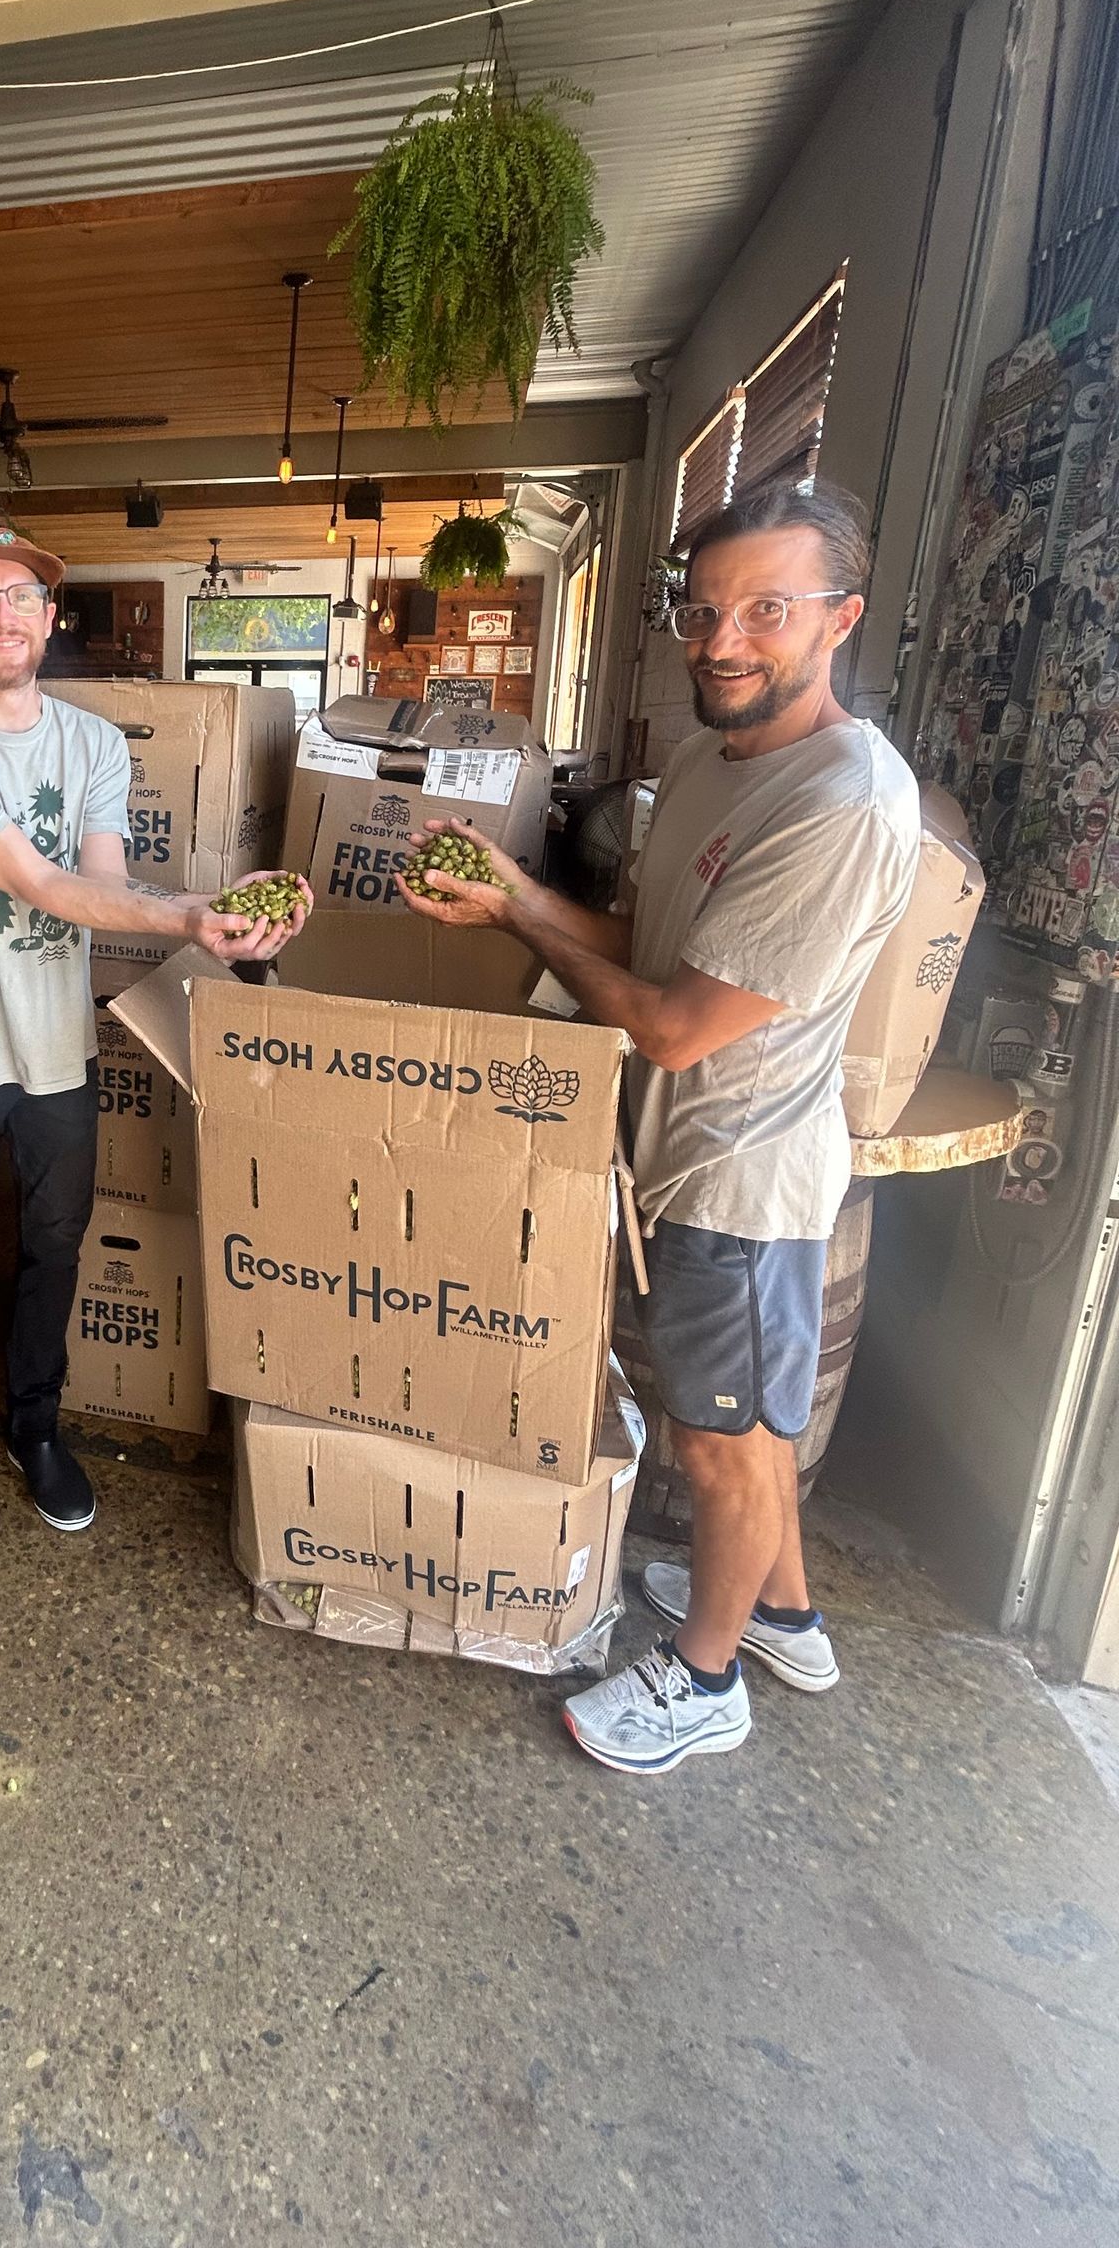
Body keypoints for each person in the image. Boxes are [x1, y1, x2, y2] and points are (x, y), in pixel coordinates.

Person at [399, 480, 918, 1773]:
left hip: (745, 1181)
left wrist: (521, 923)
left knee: (721, 1445)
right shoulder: (710, 759)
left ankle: (706, 1685)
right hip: (687, 1156)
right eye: (703, 608)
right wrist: (518, 890)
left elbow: (676, 1025)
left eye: (767, 610)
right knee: (749, 1429)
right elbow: (653, 949)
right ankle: (784, 1618)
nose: (724, 638)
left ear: (839, 619)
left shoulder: (843, 800)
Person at [0, 526, 310, 1531]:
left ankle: (37, 1425)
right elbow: (39, 882)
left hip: (60, 1048)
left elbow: (98, 888)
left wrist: (213, 908)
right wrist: (191, 913)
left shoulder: (93, 743)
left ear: (51, 620)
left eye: (24, 598)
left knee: (56, 1244)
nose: (5, 614)